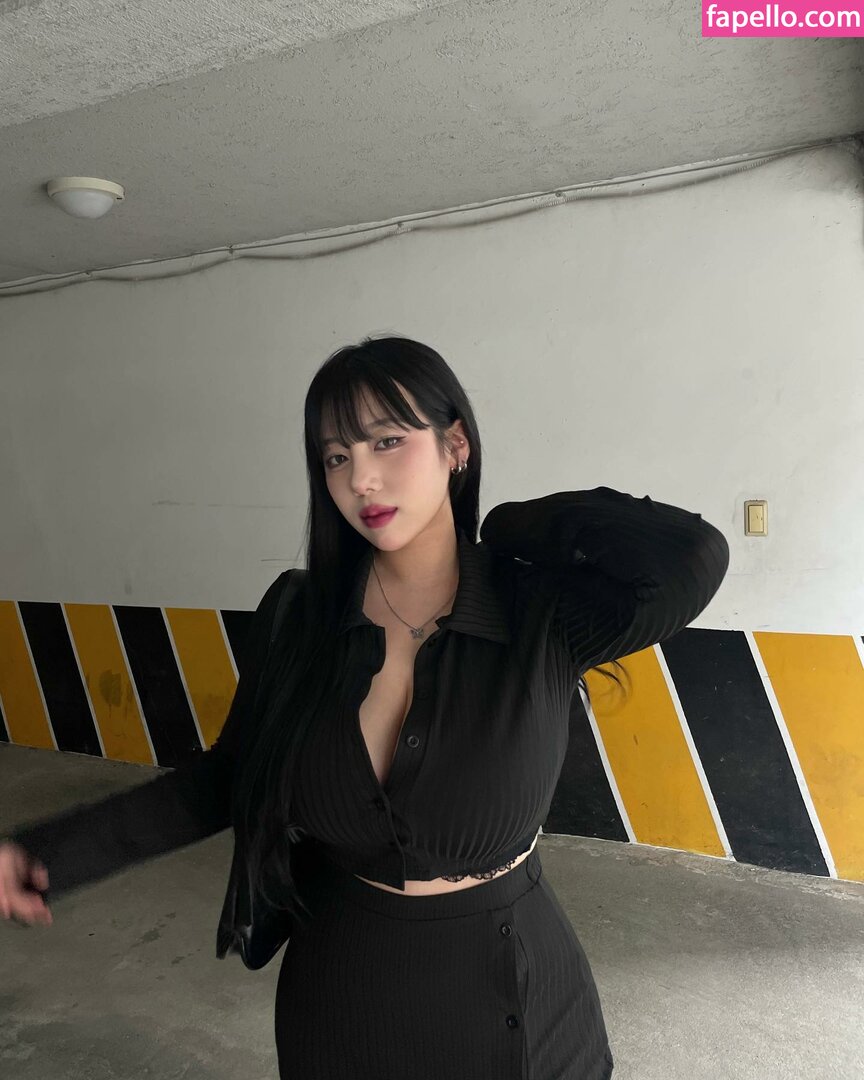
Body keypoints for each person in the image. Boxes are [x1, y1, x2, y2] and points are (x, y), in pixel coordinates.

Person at [0, 335, 730, 1079]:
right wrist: (47, 854)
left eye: (387, 440)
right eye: (335, 456)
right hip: (343, 994)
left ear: (455, 444)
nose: (361, 479)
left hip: (516, 998)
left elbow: (690, 558)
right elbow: (225, 779)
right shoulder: (299, 617)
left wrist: (509, 523)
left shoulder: (539, 611)